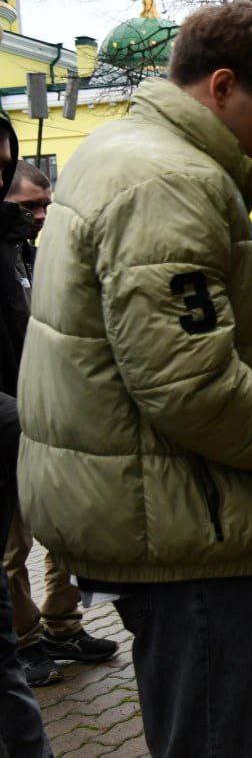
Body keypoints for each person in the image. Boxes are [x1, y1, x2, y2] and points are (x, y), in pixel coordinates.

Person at [16, 0, 252, 757]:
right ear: (223, 87)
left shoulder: (126, 153)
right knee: (218, 733)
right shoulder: (167, 183)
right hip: (184, 525)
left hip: (189, 507)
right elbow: (191, 387)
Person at [3, 162, 118, 688]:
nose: (41, 216)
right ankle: (22, 642)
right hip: (10, 419)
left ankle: (62, 626)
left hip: (50, 410)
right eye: (29, 206)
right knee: (15, 544)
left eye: (46, 205)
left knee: (67, 522)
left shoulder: (29, 251)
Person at [0, 118, 52, 758]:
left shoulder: (18, 249)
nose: (38, 214)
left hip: (22, 421)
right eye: (27, 205)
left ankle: (45, 632)